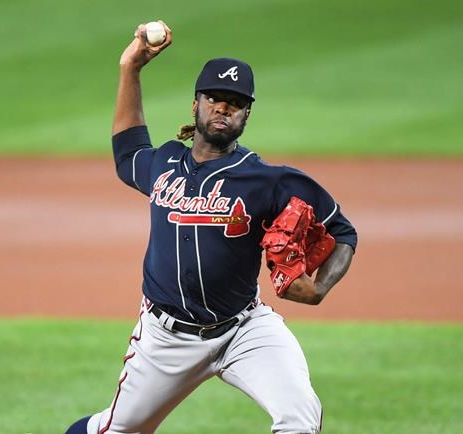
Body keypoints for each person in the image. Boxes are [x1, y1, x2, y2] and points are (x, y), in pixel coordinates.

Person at [66, 21, 357, 434]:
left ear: (246, 115)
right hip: (165, 339)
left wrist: (321, 286)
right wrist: (130, 69)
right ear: (195, 105)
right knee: (113, 430)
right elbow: (128, 150)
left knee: (299, 419)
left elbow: (342, 231)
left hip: (244, 329)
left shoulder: (270, 180)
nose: (223, 108)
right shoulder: (164, 164)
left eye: (235, 103)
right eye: (215, 98)